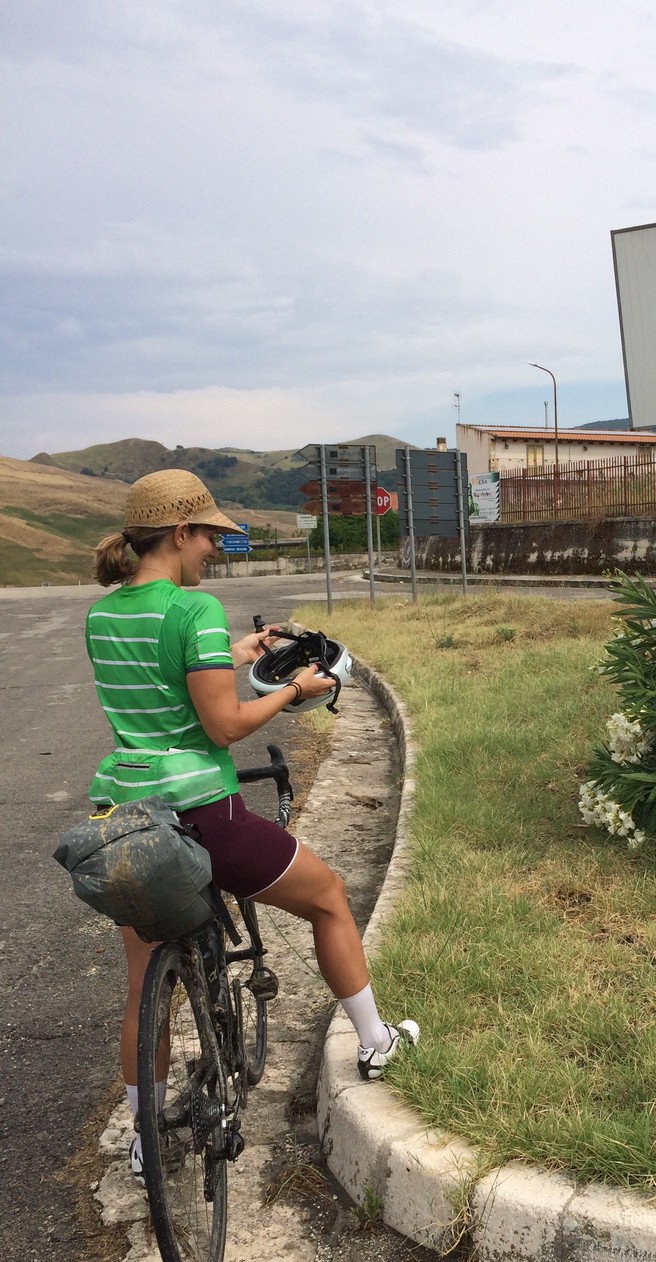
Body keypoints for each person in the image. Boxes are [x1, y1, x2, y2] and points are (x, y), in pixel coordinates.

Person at [86, 468, 418, 1182]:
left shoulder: (103, 613)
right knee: (328, 895)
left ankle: (145, 1137)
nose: (214, 548)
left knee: (143, 982)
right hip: (202, 811)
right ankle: (375, 1040)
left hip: (122, 815)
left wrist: (234, 655)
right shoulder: (193, 609)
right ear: (179, 533)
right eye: (209, 534)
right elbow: (224, 722)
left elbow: (156, 680)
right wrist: (296, 688)